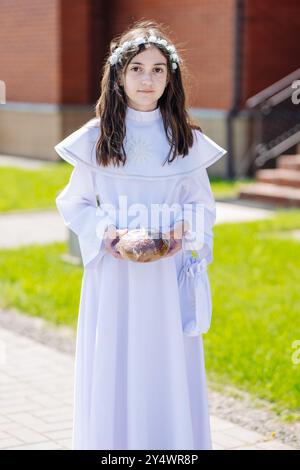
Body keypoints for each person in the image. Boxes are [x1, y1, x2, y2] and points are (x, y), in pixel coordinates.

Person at [54, 19, 227, 450]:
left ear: (171, 79)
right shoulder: (97, 138)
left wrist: (173, 238)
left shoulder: (184, 140)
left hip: (166, 277)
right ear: (118, 76)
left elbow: (202, 207)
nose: (146, 79)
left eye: (157, 70)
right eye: (136, 68)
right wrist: (109, 236)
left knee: (163, 361)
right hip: (113, 276)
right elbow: (74, 203)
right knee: (116, 358)